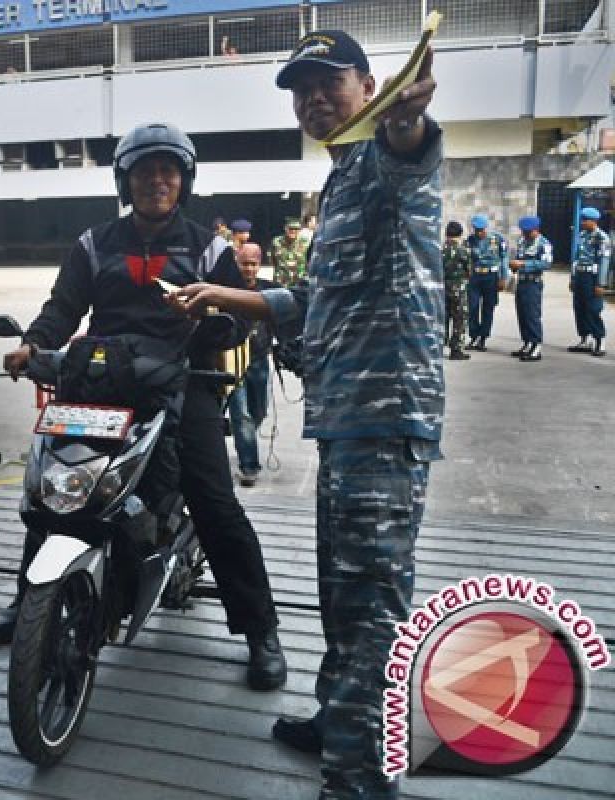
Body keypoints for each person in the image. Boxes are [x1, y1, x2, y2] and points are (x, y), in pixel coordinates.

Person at [173, 30, 443, 799]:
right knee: (342, 593)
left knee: (371, 614)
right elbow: (326, 299)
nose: (313, 98)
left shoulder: (387, 162)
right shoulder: (344, 179)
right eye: (300, 88)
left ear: (367, 86)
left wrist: (406, 122)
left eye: (329, 82)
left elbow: (412, 148)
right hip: (348, 421)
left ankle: (361, 781)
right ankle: (338, 720)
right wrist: (233, 297)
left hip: (385, 421)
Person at [0, 123, 287, 692]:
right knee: (56, 488)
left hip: (183, 384)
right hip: (100, 382)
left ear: (185, 180)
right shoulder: (94, 243)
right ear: (125, 180)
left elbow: (239, 321)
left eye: (168, 171)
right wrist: (34, 344)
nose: (157, 181)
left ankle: (259, 631)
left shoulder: (210, 248)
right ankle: (30, 600)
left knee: (216, 505)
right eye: (144, 171)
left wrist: (212, 319)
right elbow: (62, 309)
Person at [227, 243, 275, 487]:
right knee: (242, 414)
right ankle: (249, 466)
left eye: (253, 264)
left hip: (259, 360)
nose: (248, 269)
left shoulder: (268, 291)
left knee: (259, 411)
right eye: (244, 263)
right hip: (234, 361)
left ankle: (245, 438)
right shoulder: (227, 290)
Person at [567, 206, 610, 356]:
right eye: (583, 220)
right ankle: (584, 339)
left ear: (594, 221)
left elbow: (604, 261)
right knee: (579, 308)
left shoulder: (602, 237)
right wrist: (572, 277)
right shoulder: (582, 235)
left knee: (592, 309)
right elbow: (576, 258)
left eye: (585, 220)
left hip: (592, 278)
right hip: (580, 275)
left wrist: (600, 283)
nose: (583, 223)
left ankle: (600, 340)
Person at [509, 215, 552, 362]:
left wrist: (523, 264)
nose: (525, 234)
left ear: (536, 230)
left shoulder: (543, 243)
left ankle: (536, 345)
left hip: (533, 283)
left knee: (532, 315)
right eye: (523, 231)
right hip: (521, 282)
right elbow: (518, 257)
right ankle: (527, 343)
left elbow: (546, 264)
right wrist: (514, 266)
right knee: (522, 314)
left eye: (528, 232)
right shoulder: (522, 241)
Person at [464, 213, 508, 351]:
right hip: (475, 277)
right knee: (472, 307)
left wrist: (503, 277)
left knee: (488, 308)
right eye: (477, 230)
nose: (480, 233)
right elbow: (467, 258)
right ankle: (474, 336)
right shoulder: (470, 240)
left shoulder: (497, 239)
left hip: (491, 276)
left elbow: (504, 258)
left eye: (482, 230)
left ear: (486, 228)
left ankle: (483, 338)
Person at [441, 220, 471, 360]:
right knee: (459, 319)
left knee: (442, 318)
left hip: (442, 288)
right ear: (460, 234)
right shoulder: (464, 250)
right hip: (459, 288)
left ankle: (439, 345)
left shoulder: (440, 250)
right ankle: (456, 350)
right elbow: (469, 270)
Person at [267, 218, 307, 286]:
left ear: (300, 230)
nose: (293, 231)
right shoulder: (276, 242)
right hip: (280, 281)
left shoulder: (305, 243)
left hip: (299, 282)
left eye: (296, 229)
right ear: (286, 228)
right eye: (291, 228)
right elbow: (271, 259)